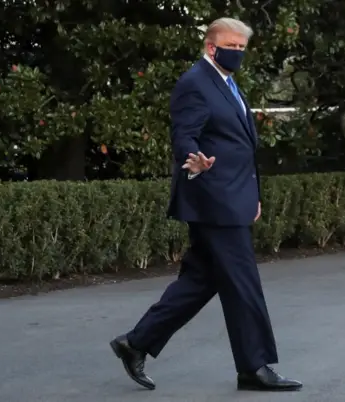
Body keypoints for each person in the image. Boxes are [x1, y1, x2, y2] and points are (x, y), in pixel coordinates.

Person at [109, 17, 302, 392]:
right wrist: (193, 158)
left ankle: (135, 343)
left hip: (233, 197)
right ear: (211, 46)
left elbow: (239, 146)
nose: (238, 53)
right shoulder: (195, 83)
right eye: (232, 46)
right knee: (243, 282)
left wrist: (252, 195)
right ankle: (254, 367)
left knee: (202, 279)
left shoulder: (227, 84)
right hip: (214, 199)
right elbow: (185, 133)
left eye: (243, 48)